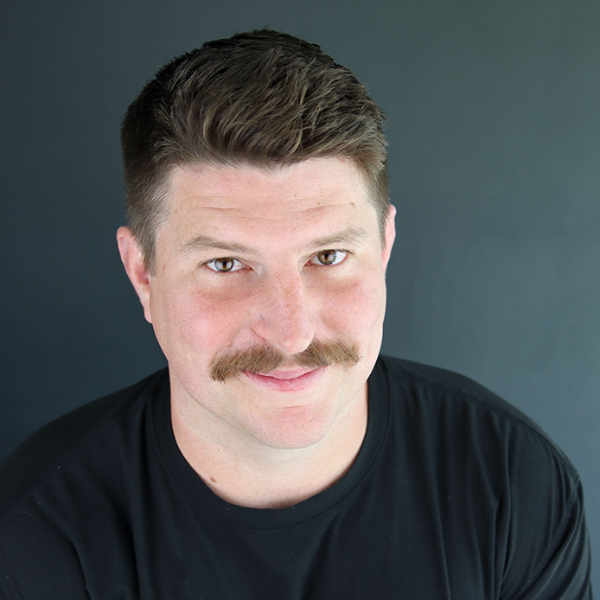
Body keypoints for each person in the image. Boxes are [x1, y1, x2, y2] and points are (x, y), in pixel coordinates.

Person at [0, 29, 592, 599]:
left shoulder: (510, 480)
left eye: (328, 256)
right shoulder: (37, 529)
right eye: (226, 264)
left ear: (384, 249)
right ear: (143, 275)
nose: (291, 333)